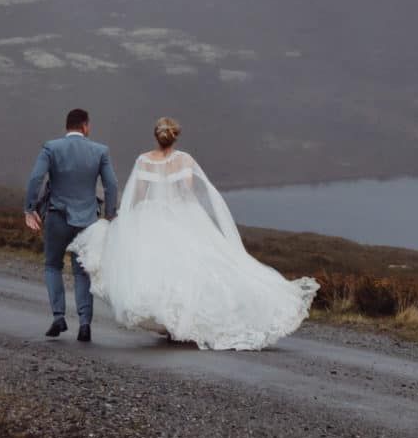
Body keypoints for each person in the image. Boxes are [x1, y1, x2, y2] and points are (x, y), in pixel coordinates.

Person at [68, 117, 317, 351]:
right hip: (178, 216)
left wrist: (127, 219)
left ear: (156, 136)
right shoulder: (185, 160)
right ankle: (180, 322)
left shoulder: (143, 160)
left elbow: (139, 192)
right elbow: (186, 192)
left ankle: (170, 322)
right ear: (174, 137)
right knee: (192, 268)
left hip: (151, 218)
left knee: (158, 269)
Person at [22, 106, 117, 342]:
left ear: (67, 126)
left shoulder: (51, 148)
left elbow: (36, 178)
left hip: (57, 216)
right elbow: (111, 185)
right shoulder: (100, 151)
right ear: (85, 126)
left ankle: (58, 316)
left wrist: (29, 208)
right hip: (87, 221)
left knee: (52, 266)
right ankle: (85, 324)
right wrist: (110, 215)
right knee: (82, 272)